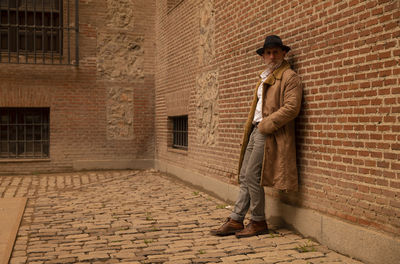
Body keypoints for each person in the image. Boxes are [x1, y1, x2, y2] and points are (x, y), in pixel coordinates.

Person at [210, 35, 302, 238]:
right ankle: (236, 219)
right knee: (244, 175)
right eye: (267, 53)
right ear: (263, 56)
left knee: (252, 175)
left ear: (283, 53)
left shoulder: (289, 77)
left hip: (268, 131)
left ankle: (258, 221)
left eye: (275, 52)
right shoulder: (264, 77)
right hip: (255, 131)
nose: (271, 56)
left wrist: (266, 125)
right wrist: (255, 128)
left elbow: (292, 108)